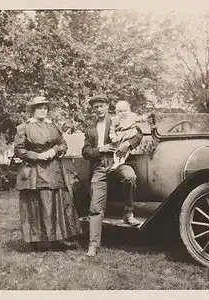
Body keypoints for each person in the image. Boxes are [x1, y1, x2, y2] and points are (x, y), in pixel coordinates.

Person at [14, 95, 82, 251]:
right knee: (35, 204)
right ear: (33, 110)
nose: (43, 110)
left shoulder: (53, 127)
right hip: (33, 171)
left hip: (54, 170)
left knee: (57, 203)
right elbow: (19, 150)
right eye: (39, 107)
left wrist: (55, 150)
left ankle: (58, 238)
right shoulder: (23, 128)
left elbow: (63, 143)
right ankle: (35, 240)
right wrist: (37, 156)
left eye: (45, 108)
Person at [82, 94, 143, 257]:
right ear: (93, 109)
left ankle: (128, 213)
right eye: (96, 107)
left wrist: (126, 144)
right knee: (95, 207)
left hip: (118, 163)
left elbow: (138, 134)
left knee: (130, 177)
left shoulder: (118, 119)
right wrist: (99, 150)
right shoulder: (90, 127)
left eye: (102, 106)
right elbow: (85, 151)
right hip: (99, 166)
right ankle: (93, 245)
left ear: (107, 106)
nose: (99, 109)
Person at [108, 100, 143, 171]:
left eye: (125, 111)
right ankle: (117, 163)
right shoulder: (115, 119)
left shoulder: (132, 116)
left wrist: (142, 119)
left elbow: (139, 125)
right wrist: (113, 137)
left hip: (130, 135)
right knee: (117, 152)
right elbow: (112, 129)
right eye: (120, 111)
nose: (123, 113)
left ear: (128, 111)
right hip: (120, 138)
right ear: (117, 112)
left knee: (127, 151)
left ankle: (122, 162)